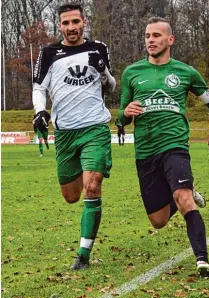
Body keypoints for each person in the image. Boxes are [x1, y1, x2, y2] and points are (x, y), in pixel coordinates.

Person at [118, 17, 209, 277]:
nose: (151, 40)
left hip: (175, 144)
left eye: (156, 35)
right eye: (147, 36)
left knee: (184, 198)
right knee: (159, 221)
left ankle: (202, 259)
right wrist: (125, 113)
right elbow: (120, 117)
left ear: (170, 40)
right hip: (145, 152)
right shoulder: (131, 73)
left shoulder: (186, 72)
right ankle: (183, 189)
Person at [32, 3, 116, 270]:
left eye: (75, 22)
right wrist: (39, 112)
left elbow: (111, 86)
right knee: (71, 196)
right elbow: (38, 88)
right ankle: (87, 169)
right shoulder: (48, 53)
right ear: (60, 26)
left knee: (93, 186)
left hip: (95, 128)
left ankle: (83, 254)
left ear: (84, 22)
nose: (71, 28)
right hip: (66, 134)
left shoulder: (98, 48)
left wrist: (102, 69)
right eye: (65, 23)